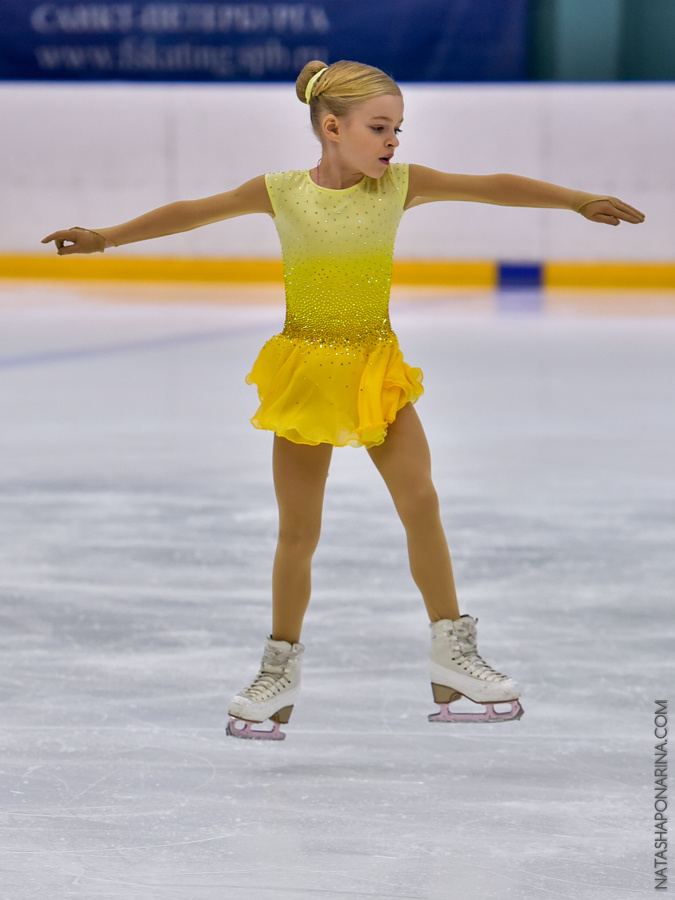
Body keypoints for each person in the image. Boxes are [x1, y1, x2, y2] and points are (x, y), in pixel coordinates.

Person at [42, 59, 645, 740]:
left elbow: (491, 186)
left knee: (421, 501)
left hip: (373, 368)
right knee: (298, 532)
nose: (393, 142)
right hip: (306, 371)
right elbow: (193, 213)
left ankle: (453, 650)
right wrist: (105, 238)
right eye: (379, 127)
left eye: (398, 128)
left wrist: (574, 200)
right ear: (332, 128)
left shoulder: (401, 186)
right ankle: (277, 671)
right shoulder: (280, 192)